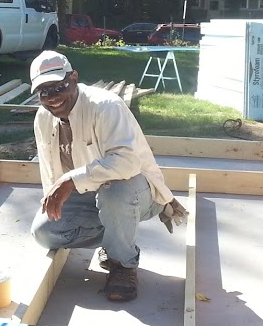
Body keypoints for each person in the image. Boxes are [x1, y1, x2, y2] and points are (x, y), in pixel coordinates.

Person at [28, 50, 187, 302]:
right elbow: (50, 171)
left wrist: (71, 180)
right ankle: (117, 235)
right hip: (90, 195)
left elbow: (128, 163)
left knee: (116, 192)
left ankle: (123, 264)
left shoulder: (105, 106)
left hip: (136, 191)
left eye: (59, 87)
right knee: (45, 232)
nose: (53, 97)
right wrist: (54, 197)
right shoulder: (43, 118)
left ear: (74, 77)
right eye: (44, 92)